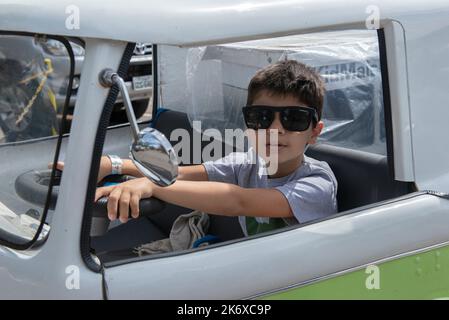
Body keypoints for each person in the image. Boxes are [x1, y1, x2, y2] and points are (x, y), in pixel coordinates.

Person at [60, 60, 338, 236]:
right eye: (262, 118)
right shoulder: (248, 163)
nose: (276, 129)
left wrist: (153, 187)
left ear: (314, 132)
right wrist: (113, 165)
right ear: (248, 125)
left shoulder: (317, 184)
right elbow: (179, 173)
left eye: (294, 119)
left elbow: (237, 201)